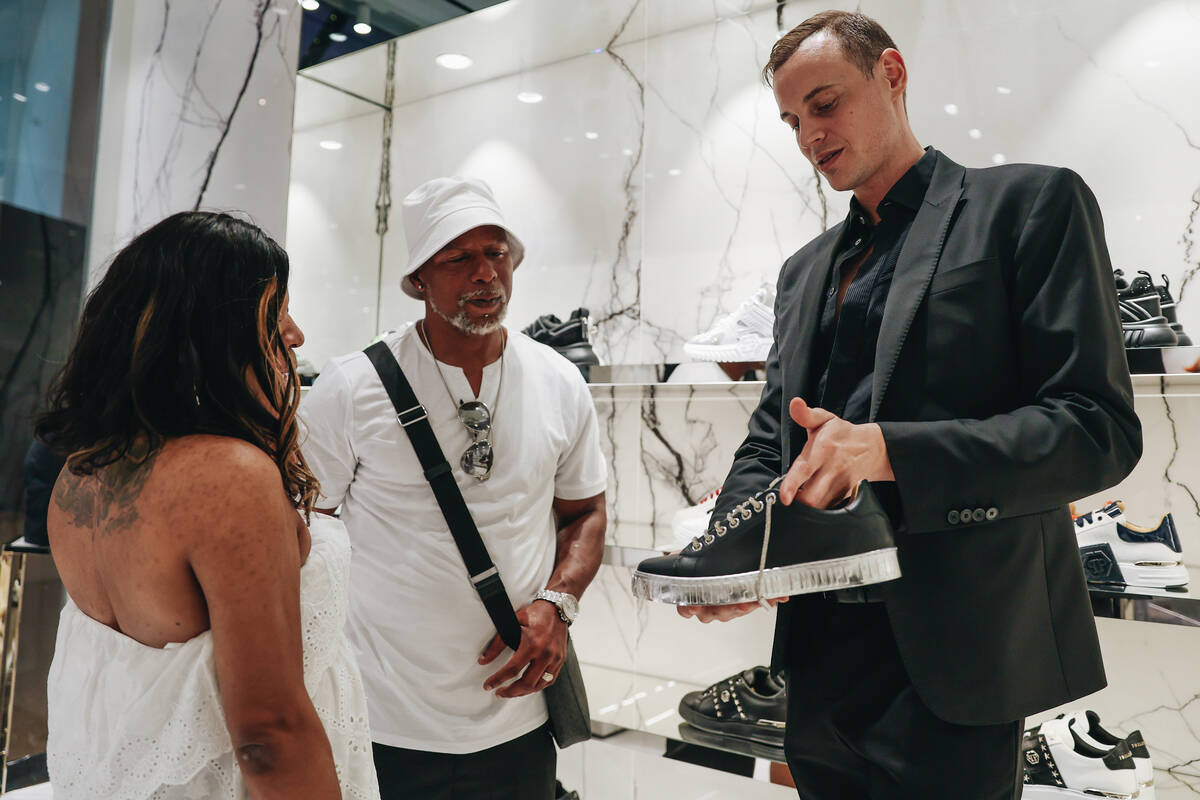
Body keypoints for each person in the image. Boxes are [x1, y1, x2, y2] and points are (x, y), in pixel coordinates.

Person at [677, 11, 1141, 799]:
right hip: (817, 664)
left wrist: (889, 450)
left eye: (825, 105)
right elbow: (770, 439)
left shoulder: (1029, 205)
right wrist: (742, 556)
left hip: (958, 659)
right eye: (793, 122)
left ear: (891, 74)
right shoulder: (803, 271)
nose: (809, 137)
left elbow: (1095, 428)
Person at [39, 211, 380, 799]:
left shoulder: (81, 472)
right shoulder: (227, 476)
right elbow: (268, 733)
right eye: (275, 313)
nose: (295, 335)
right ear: (210, 328)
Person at [299, 177, 608, 800]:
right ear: (418, 279)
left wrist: (559, 602)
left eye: (497, 253)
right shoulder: (350, 387)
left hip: (518, 717)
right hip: (381, 717)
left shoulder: (558, 381)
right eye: (458, 258)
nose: (485, 274)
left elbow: (585, 512)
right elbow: (307, 537)